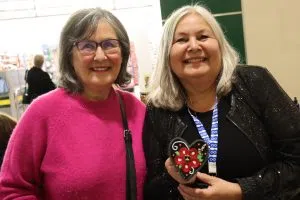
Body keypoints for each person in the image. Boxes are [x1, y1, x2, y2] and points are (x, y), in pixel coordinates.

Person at [143, 4, 300, 200]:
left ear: (220, 45)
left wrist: (241, 191)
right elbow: (152, 189)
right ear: (167, 53)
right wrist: (173, 178)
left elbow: (295, 162)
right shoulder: (158, 110)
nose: (193, 46)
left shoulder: (254, 82)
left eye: (203, 37)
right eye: (181, 40)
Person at [0, 8, 146, 200]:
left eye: (110, 44)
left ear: (123, 53)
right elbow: (12, 190)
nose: (100, 56)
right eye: (87, 46)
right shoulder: (42, 113)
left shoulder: (135, 109)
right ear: (70, 55)